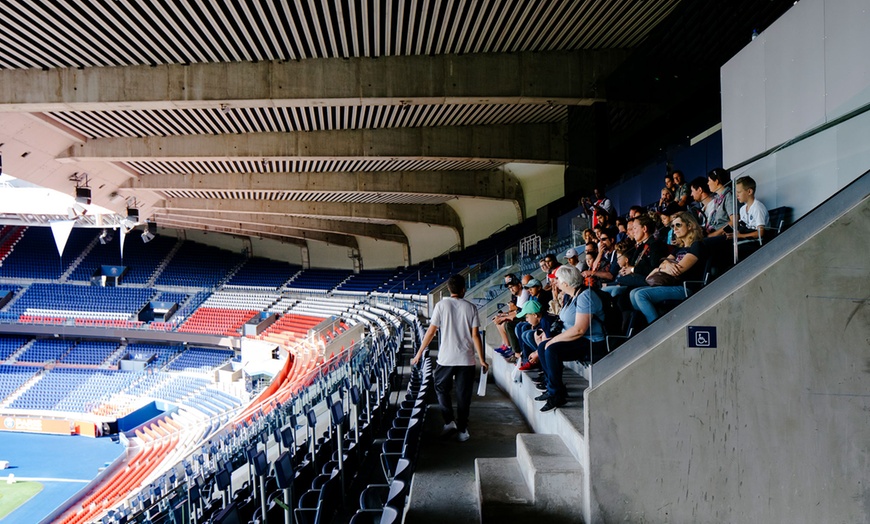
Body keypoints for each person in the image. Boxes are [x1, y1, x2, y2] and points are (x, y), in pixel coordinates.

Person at [411, 274, 488, 442]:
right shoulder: (471, 307)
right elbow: (476, 336)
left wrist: (418, 354)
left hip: (446, 358)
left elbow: (431, 332)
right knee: (463, 395)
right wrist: (482, 359)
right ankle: (462, 429)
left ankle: (449, 421)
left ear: (448, 289)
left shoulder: (441, 305)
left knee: (440, 389)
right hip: (466, 359)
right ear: (463, 289)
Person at [529, 265, 607, 412]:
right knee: (542, 346)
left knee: (552, 349)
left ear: (566, 283)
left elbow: (579, 329)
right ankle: (552, 387)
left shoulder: (585, 296)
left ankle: (556, 395)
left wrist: (553, 340)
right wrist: (549, 338)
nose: (555, 282)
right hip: (579, 339)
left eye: (557, 279)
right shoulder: (571, 296)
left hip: (592, 341)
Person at [629, 211, 709, 325]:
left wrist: (659, 269)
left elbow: (678, 270)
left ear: (690, 225)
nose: (674, 229)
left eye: (678, 225)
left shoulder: (696, 245)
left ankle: (657, 327)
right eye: (673, 226)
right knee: (633, 293)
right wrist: (662, 268)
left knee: (640, 295)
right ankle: (653, 321)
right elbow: (662, 263)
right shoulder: (678, 248)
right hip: (672, 284)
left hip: (686, 287)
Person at [706, 167, 735, 237]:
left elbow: (734, 221)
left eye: (709, 180)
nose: (707, 183)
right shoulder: (717, 198)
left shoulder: (729, 196)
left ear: (716, 181)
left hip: (723, 236)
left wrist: (713, 235)